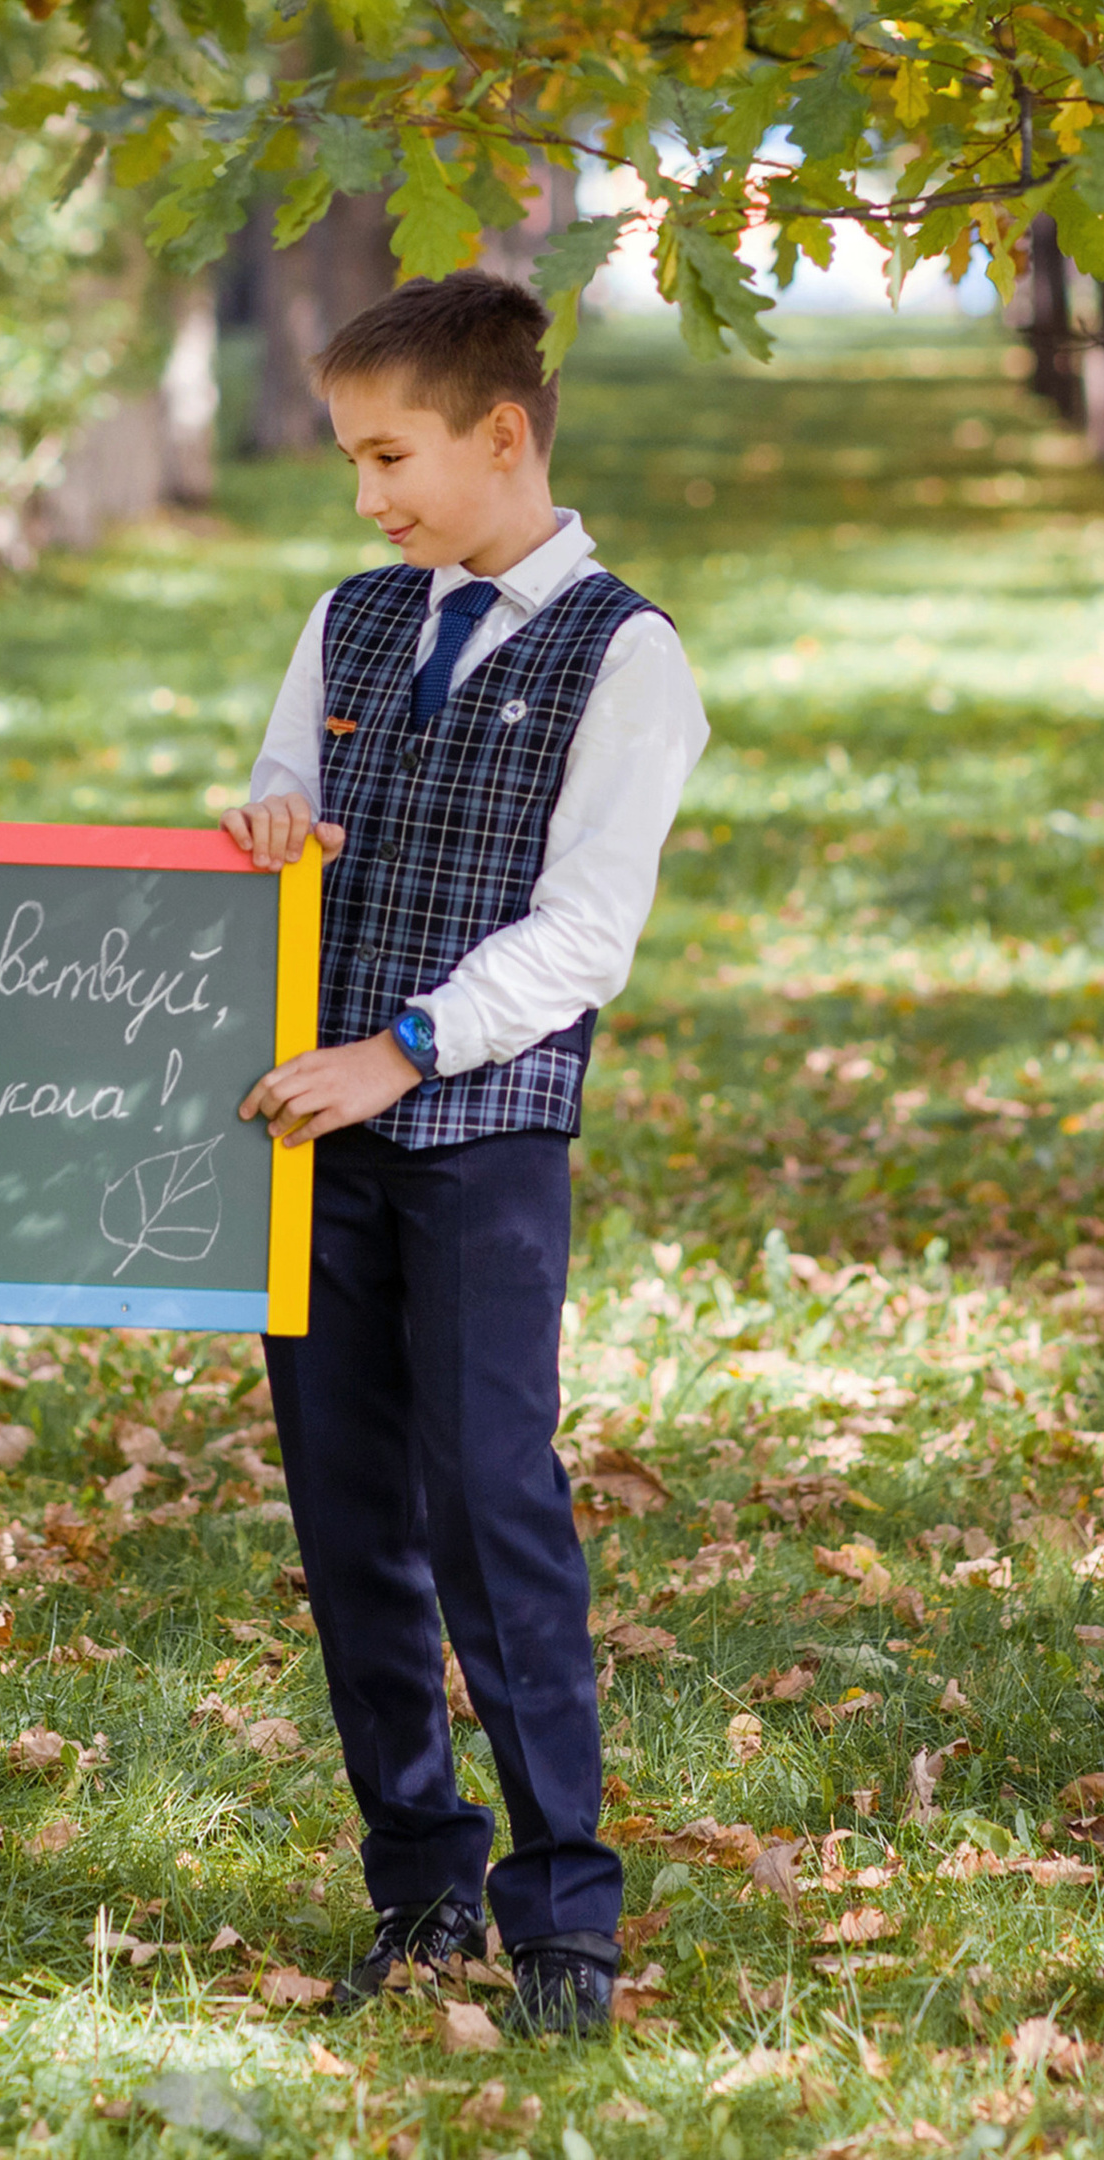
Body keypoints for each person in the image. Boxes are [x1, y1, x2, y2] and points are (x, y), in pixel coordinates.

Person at [221, 271, 708, 2039]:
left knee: (491, 1508)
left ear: (505, 436)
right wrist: (266, 824)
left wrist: (405, 1047)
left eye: (391, 454)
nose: (368, 497)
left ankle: (564, 1908)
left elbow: (587, 931)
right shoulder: (352, 620)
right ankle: (417, 1885)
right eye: (355, 459)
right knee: (350, 1517)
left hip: (479, 1144)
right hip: (316, 1153)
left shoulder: (626, 656)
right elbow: (284, 798)